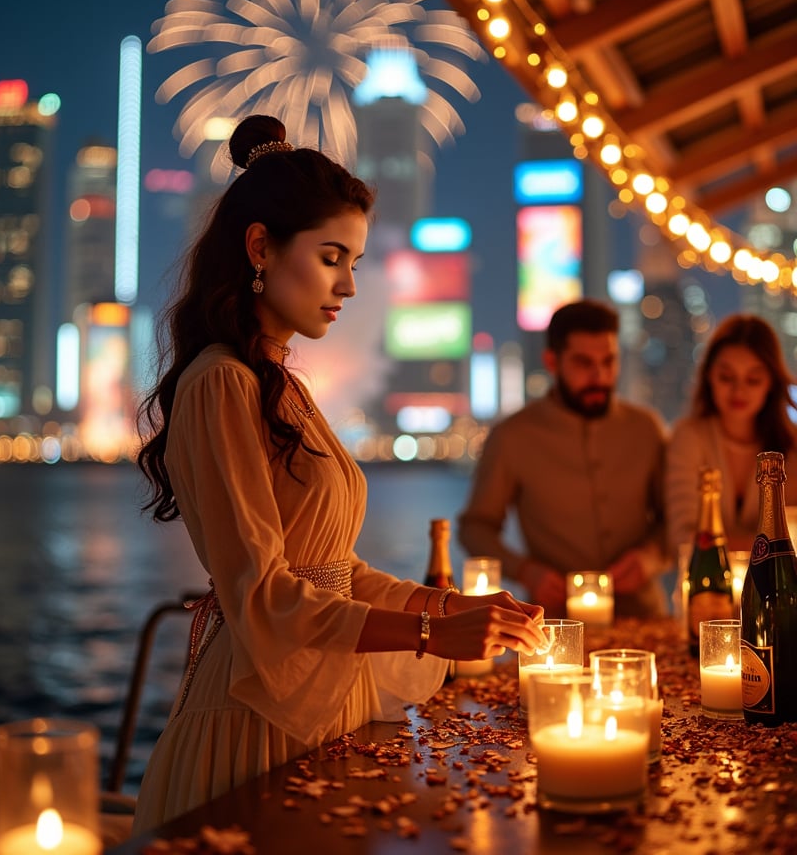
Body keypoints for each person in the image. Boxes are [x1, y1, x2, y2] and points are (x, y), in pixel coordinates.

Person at [131, 115, 547, 830]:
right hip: (256, 714)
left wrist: (450, 609)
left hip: (318, 697)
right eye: (332, 257)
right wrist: (426, 638)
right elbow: (263, 598)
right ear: (260, 246)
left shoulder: (282, 387)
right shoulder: (220, 384)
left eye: (353, 261)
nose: (349, 286)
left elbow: (333, 571)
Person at [457, 298, 669, 619]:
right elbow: (475, 528)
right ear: (552, 362)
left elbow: (677, 519)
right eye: (584, 363)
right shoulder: (513, 436)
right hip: (554, 626)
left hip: (645, 618)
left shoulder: (646, 428)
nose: (599, 376)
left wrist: (650, 558)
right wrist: (526, 571)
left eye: (609, 362)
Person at [666, 313, 797, 553]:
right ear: (709, 377)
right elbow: (683, 538)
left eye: (753, 379)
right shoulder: (690, 437)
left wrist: (717, 543)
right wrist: (767, 548)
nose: (739, 390)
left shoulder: (792, 447)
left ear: (771, 383)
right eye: (727, 377)